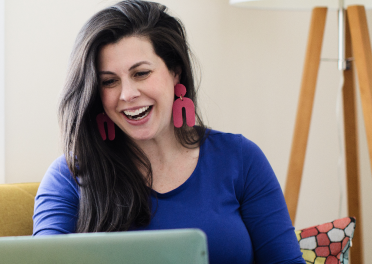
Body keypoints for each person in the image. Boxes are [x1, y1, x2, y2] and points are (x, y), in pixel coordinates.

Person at [32, 1, 305, 263]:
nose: (127, 94)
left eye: (141, 73)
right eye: (109, 81)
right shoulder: (67, 178)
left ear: (175, 72)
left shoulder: (241, 159)